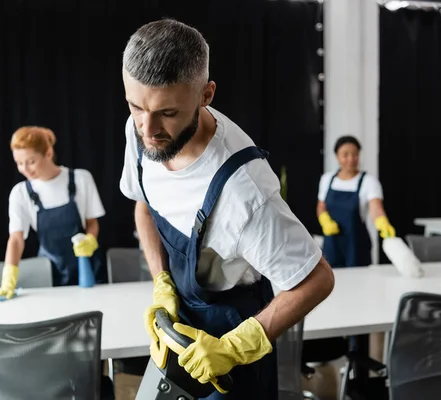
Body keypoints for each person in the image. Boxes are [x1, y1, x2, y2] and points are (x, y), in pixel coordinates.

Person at [119, 19, 334, 399]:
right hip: (179, 325)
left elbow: (316, 280)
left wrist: (236, 347)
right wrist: (161, 283)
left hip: (230, 346)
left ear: (206, 95)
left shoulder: (244, 191)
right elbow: (144, 204)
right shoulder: (141, 133)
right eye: (136, 107)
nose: (148, 129)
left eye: (167, 113)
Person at [0, 126, 107, 301]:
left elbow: (92, 223)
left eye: (31, 161)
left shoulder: (80, 179)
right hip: (48, 273)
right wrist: (8, 279)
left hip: (86, 266)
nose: (24, 169)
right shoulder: (20, 192)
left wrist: (90, 239)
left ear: (48, 153)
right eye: (19, 163)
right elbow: (16, 239)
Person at [317, 136, 396, 268]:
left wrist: (383, 223)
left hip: (357, 246)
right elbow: (321, 206)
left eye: (355, 155)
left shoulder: (368, 181)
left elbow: (376, 209)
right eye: (345, 155)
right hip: (331, 244)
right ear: (337, 156)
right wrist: (324, 219)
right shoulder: (327, 179)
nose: (351, 159)